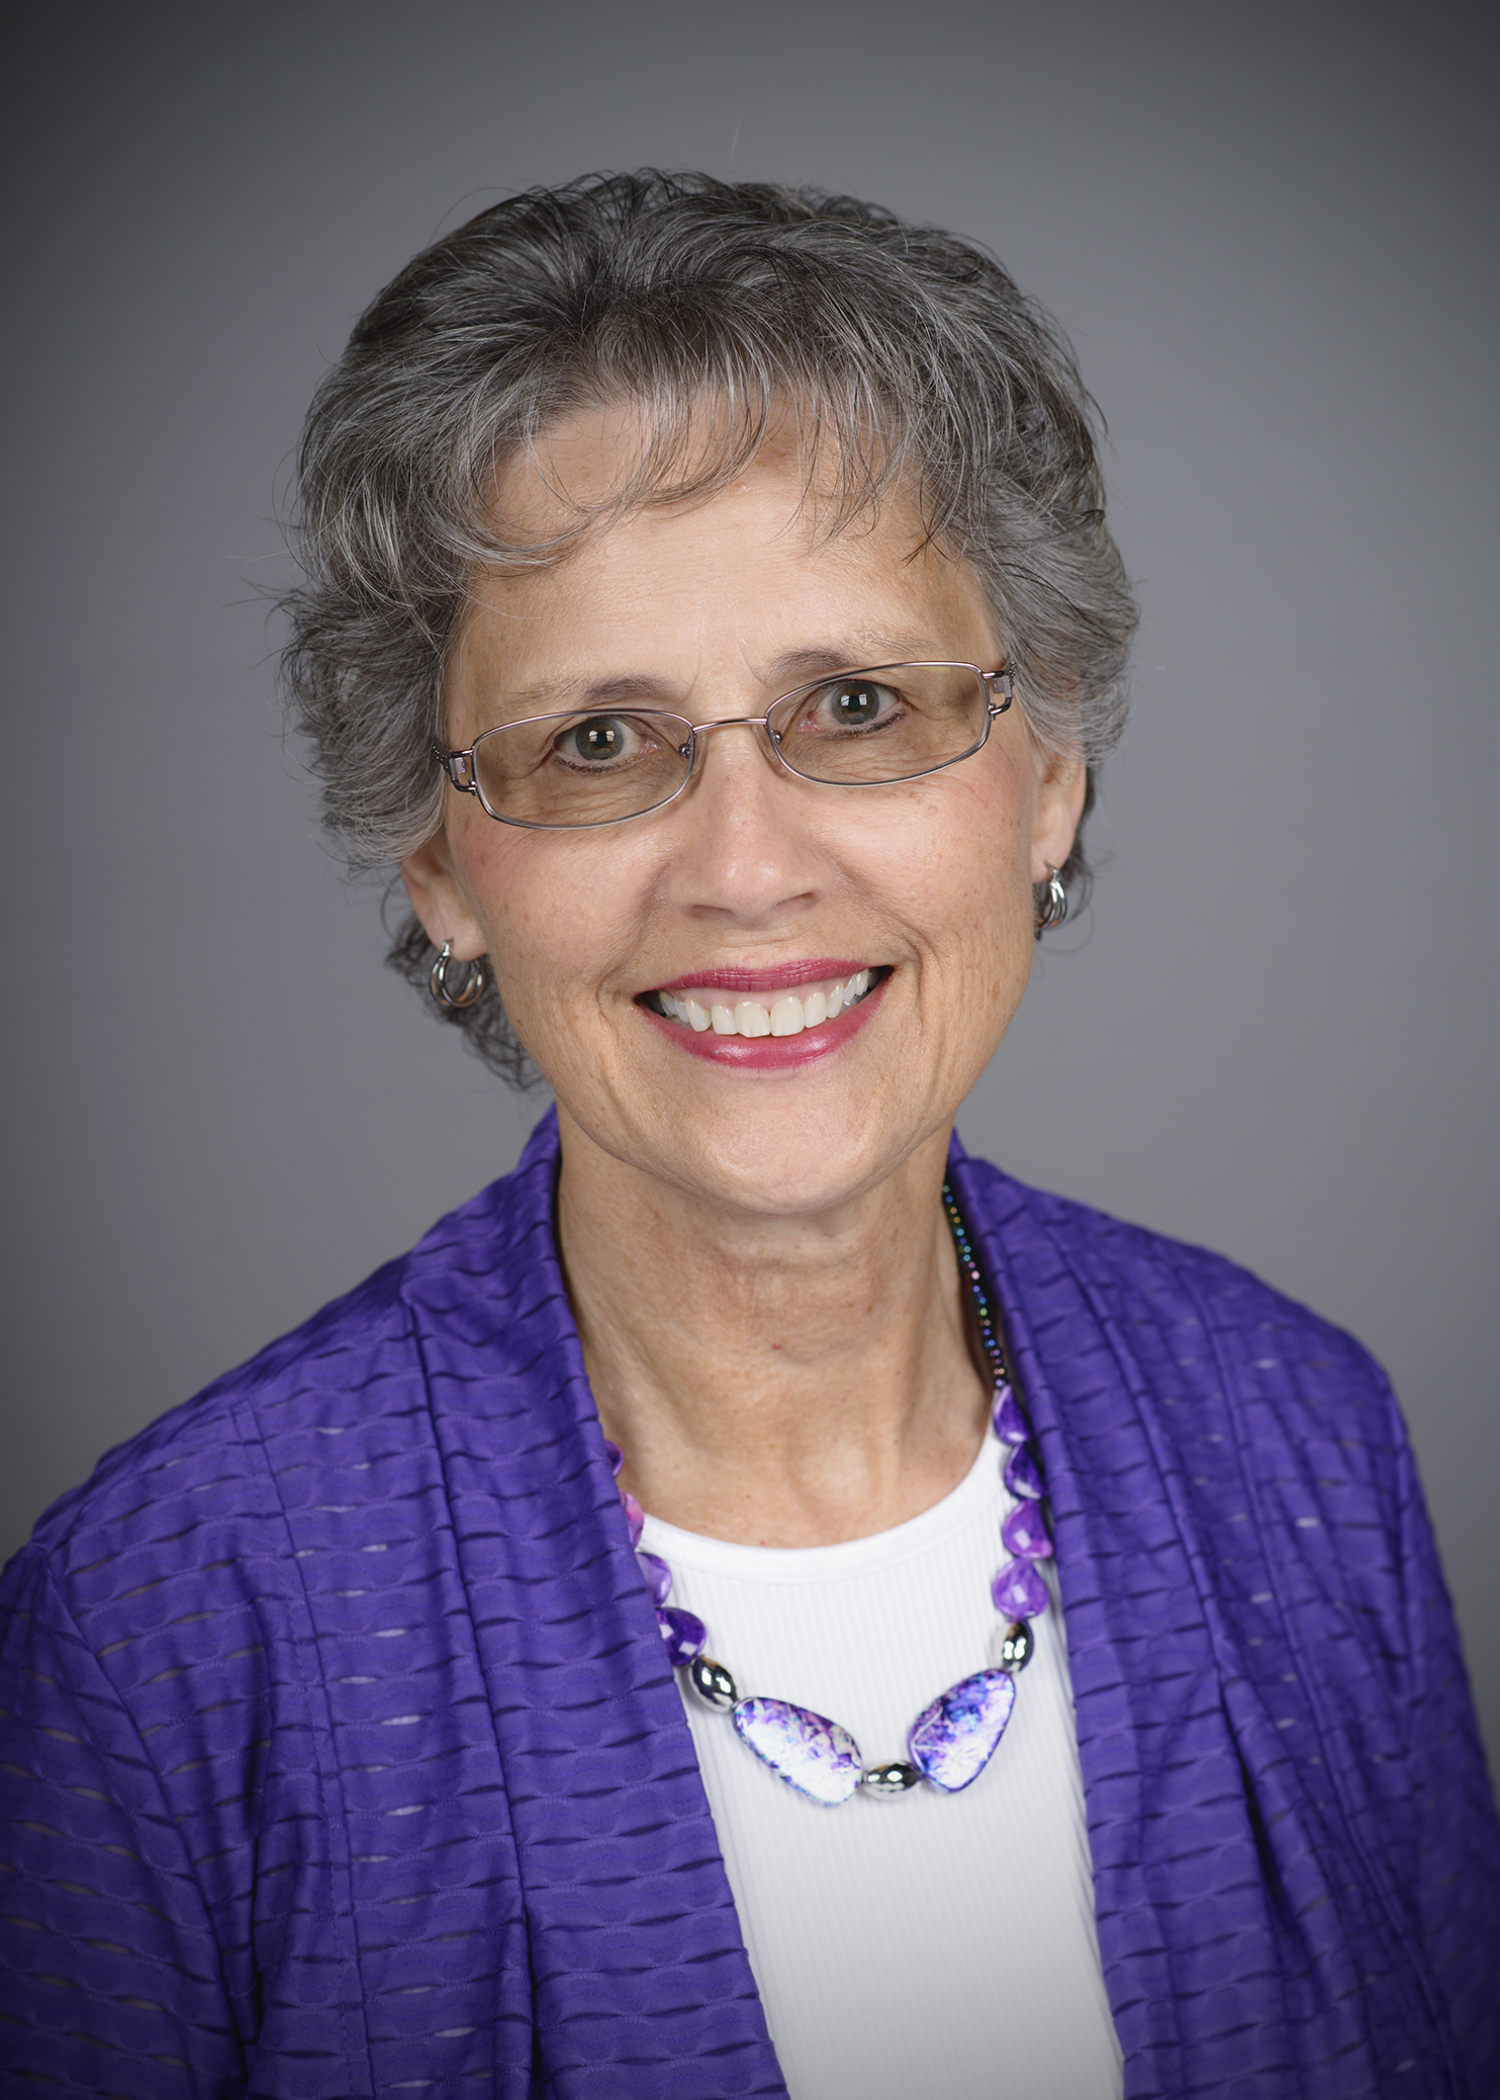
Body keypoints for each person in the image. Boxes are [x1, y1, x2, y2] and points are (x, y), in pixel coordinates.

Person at [1, 171, 1495, 2100]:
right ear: (442, 863)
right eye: (595, 742)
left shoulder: (1300, 1438)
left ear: (1048, 778)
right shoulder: (171, 1623)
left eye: (857, 704)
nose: (745, 867)